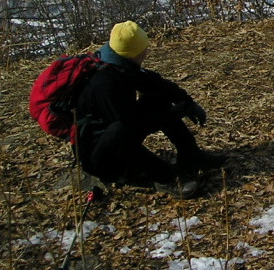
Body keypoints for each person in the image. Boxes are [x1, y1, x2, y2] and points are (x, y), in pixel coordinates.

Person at [75, 21, 224, 199]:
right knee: (120, 131)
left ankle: (192, 157)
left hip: (120, 132)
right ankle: (166, 179)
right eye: (144, 47)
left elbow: (156, 84)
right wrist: (169, 116)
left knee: (157, 98)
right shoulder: (104, 83)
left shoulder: (118, 63)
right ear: (134, 52)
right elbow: (127, 126)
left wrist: (186, 101)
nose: (147, 50)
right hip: (100, 156)